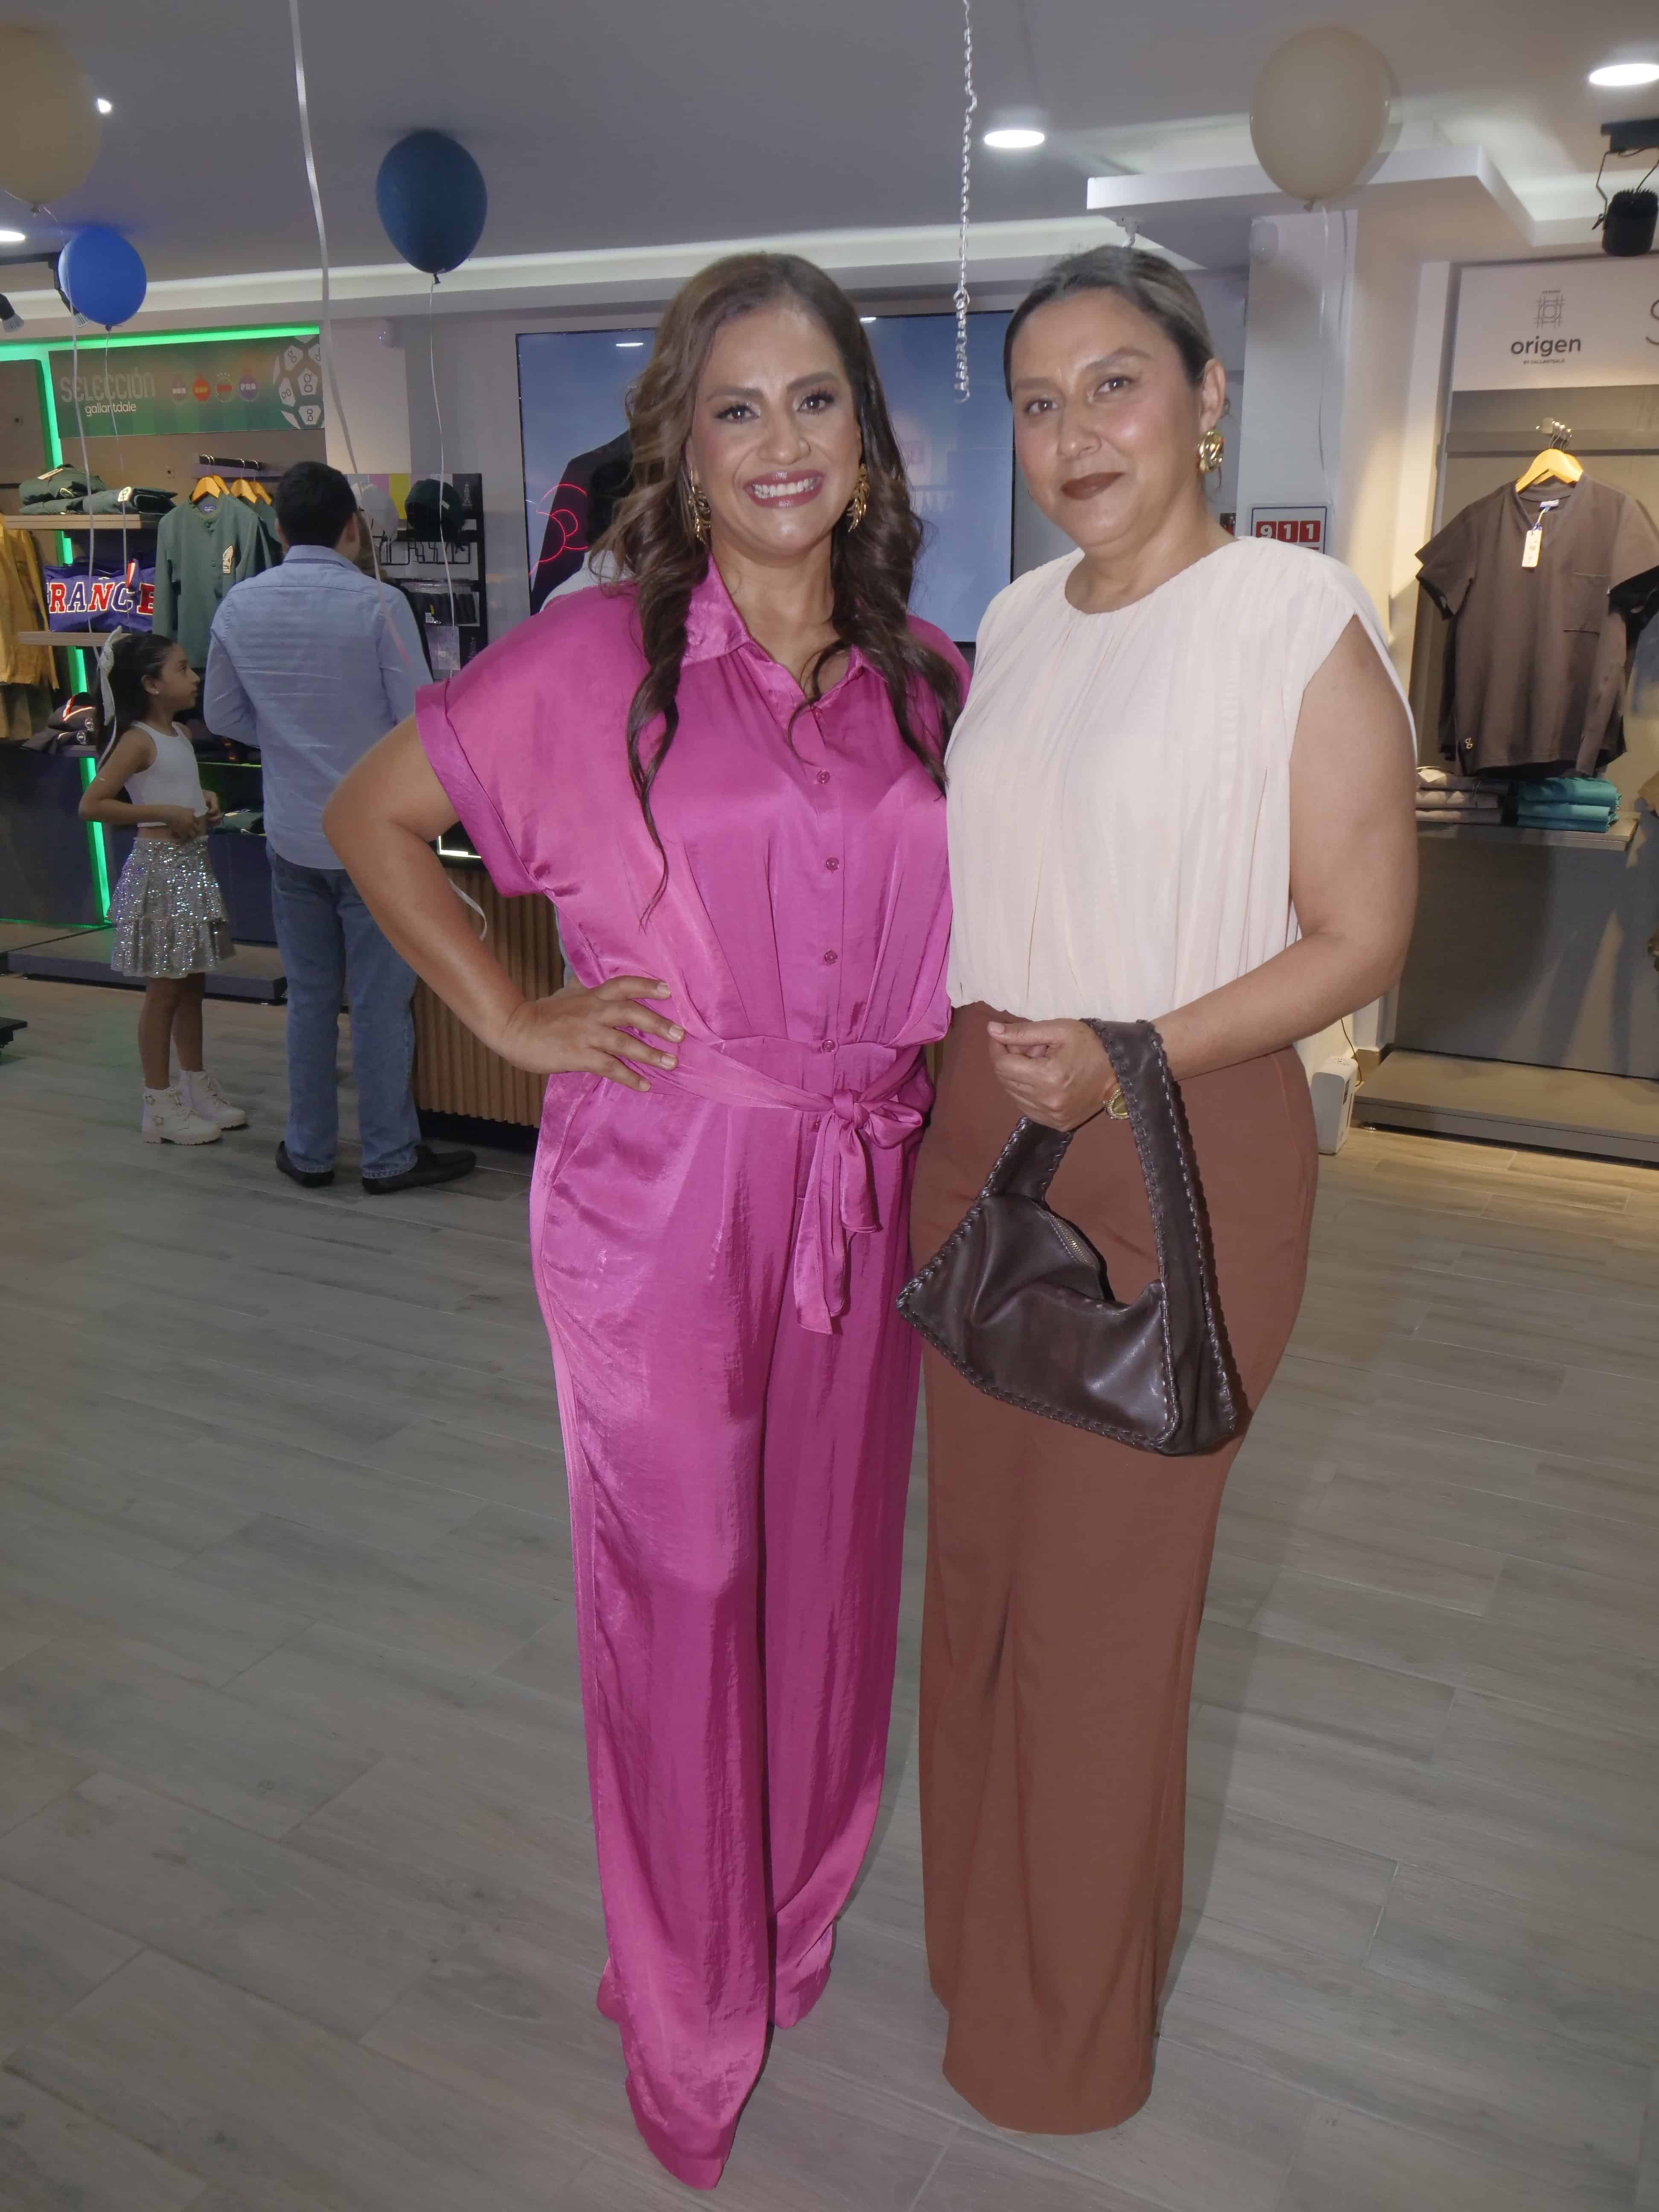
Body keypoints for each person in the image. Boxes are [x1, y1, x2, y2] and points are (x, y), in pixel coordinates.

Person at [323, 253, 965, 2189]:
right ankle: (687, 2007)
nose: (778, 443)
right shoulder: (592, 659)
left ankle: (785, 1915)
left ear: (865, 436)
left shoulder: (934, 681)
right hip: (664, 1199)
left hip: (859, 1185)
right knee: (681, 1598)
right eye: (732, 408)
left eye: (813, 400)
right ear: (680, 448)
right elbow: (370, 818)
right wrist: (511, 1013)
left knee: (830, 1583)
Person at [913, 246, 1416, 2135]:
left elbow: (1362, 932)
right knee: (979, 1586)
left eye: (1114, 385)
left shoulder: (1294, 616)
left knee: (1104, 1614)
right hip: (983, 1134)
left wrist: (1131, 1047)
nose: (1073, 435)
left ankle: (1059, 2040)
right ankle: (978, 1958)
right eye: (1037, 402)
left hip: (1175, 1139)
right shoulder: (1014, 617)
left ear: (1206, 399)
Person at [202, 460, 473, 1194]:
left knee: (311, 999)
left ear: (277, 528)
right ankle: (389, 1154)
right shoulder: (379, 604)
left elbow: (222, 712)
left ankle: (309, 1150)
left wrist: (287, 739)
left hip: (293, 831)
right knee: (381, 1003)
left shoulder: (239, 605)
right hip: (378, 837)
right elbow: (417, 718)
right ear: (352, 527)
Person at [78, 631, 247, 1146]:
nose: (194, 678)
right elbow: (93, 805)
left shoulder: (178, 733)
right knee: (165, 990)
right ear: (151, 684)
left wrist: (204, 798)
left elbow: (175, 786)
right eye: (182, 669)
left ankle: (195, 1084)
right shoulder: (136, 740)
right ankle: (158, 1101)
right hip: (161, 871)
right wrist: (163, 813)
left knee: (192, 984)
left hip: (192, 864)